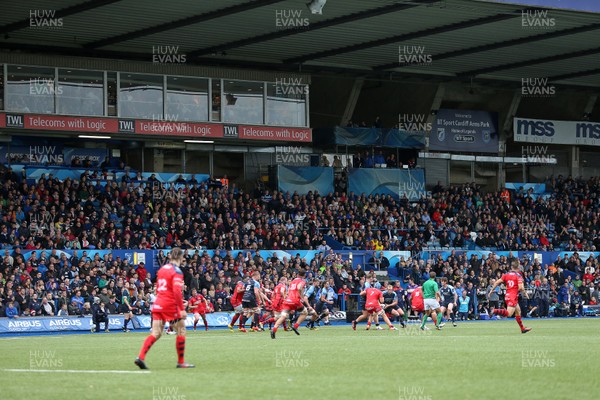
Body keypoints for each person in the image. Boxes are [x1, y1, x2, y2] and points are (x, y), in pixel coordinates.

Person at [135, 248, 195, 369]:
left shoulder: (162, 269)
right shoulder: (176, 271)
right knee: (181, 330)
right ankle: (181, 362)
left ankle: (140, 357)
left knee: (156, 333)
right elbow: (177, 291)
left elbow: (157, 286)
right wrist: (182, 309)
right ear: (181, 258)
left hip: (158, 303)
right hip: (170, 304)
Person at [488, 260, 532, 334]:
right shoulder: (518, 276)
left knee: (518, 311)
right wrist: (524, 293)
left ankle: (522, 328)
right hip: (513, 296)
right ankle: (494, 311)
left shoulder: (506, 274)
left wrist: (491, 290)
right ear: (518, 267)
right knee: (509, 314)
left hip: (508, 295)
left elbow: (497, 282)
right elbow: (521, 287)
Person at [271, 269, 317, 338]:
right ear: (304, 275)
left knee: (283, 316)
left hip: (287, 301)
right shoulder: (302, 281)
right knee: (305, 312)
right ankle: (295, 326)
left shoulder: (292, 281)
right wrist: (301, 296)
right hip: (295, 301)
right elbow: (299, 288)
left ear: (298, 274)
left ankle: (274, 329)